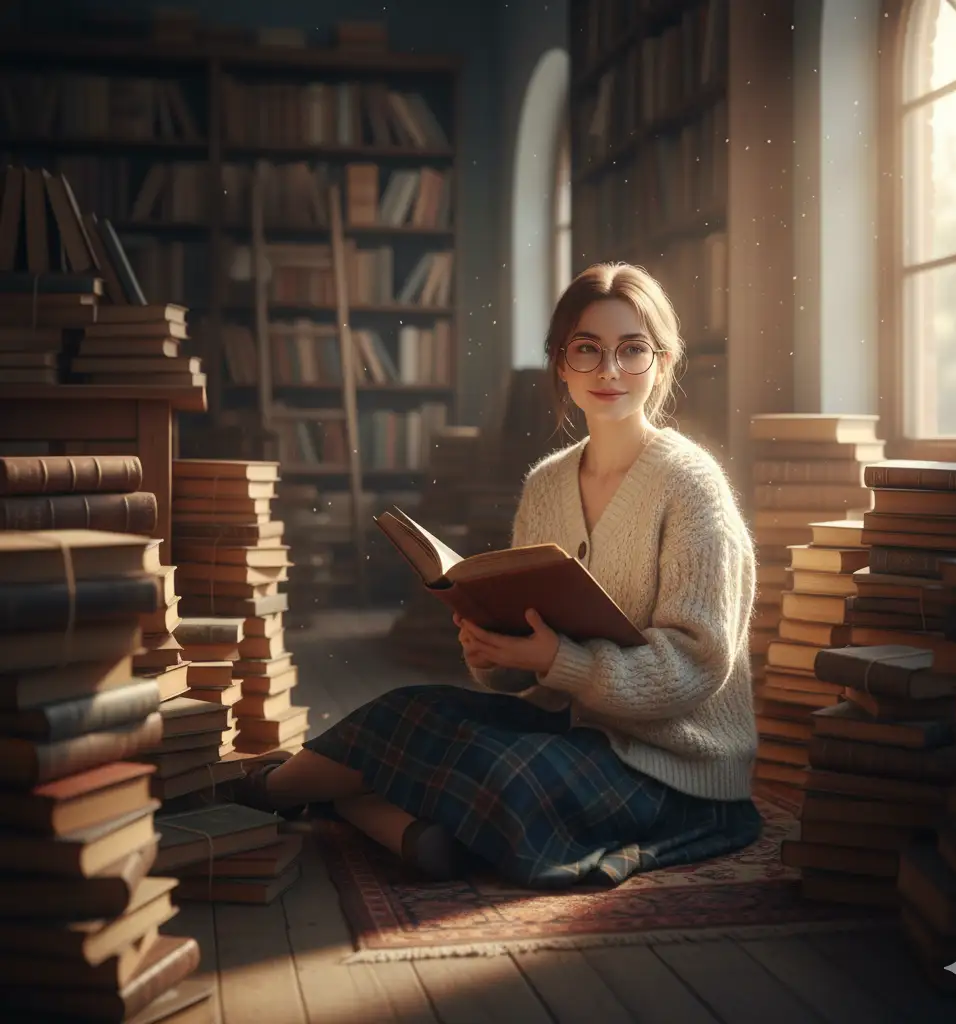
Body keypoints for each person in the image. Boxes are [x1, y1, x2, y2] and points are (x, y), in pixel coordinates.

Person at [233, 262, 763, 888]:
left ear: (664, 362)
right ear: (561, 364)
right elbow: (514, 673)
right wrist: (492, 646)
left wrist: (561, 660)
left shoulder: (691, 487)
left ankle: (348, 806)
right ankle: (264, 791)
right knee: (407, 713)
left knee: (500, 773)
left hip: (672, 763)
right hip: (569, 728)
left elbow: (696, 669)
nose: (609, 371)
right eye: (587, 350)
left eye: (633, 350)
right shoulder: (546, 484)